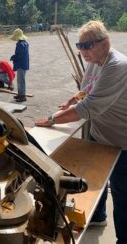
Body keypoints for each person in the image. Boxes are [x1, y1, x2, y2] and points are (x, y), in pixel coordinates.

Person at [35, 20, 127, 244]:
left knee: (123, 193)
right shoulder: (95, 60)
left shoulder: (118, 66)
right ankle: (97, 216)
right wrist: (70, 101)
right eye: (79, 45)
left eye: (88, 45)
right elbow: (87, 90)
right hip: (100, 132)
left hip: (122, 139)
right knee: (96, 179)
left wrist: (51, 119)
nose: (82, 50)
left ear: (105, 43)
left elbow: (89, 107)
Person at [10, 28, 29, 102]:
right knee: (20, 80)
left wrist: (14, 57)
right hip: (23, 63)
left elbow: (19, 55)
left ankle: (23, 96)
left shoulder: (20, 44)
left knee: (21, 80)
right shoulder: (25, 43)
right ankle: (20, 94)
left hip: (21, 64)